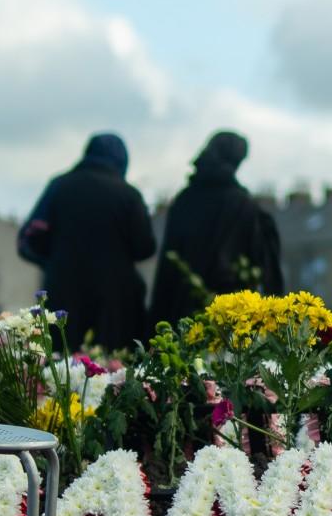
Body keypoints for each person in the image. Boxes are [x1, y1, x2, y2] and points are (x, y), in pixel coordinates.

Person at [18, 133, 157, 352]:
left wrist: (53, 261)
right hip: (115, 307)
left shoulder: (59, 186)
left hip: (63, 298)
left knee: (59, 371)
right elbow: (145, 247)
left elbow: (28, 240)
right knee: (111, 372)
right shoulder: (128, 195)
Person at [148, 130, 284, 327]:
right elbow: (265, 271)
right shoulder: (245, 207)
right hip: (229, 322)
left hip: (179, 316)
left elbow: (167, 271)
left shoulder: (184, 201)